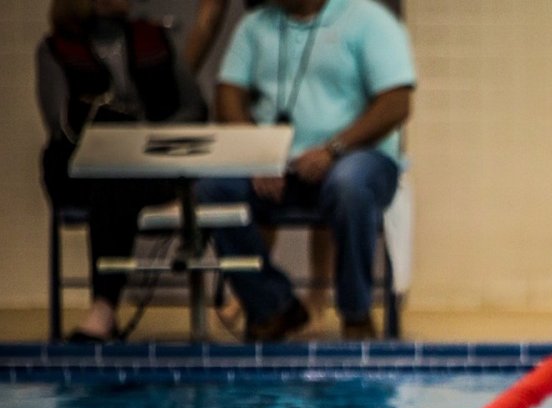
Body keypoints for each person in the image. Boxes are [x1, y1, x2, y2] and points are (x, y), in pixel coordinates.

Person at [195, 0, 414, 341]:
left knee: (349, 184)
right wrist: (259, 153)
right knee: (213, 189)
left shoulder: (367, 19)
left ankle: (356, 314)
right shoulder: (255, 26)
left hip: (356, 157)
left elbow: (397, 102)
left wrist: (334, 149)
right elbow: (228, 94)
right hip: (276, 166)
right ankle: (274, 306)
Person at [36, 0, 207, 343]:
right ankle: (104, 307)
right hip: (80, 166)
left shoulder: (154, 37)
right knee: (109, 173)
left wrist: (147, 135)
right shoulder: (55, 48)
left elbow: (194, 108)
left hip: (148, 163)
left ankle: (103, 307)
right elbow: (59, 125)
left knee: (122, 174)